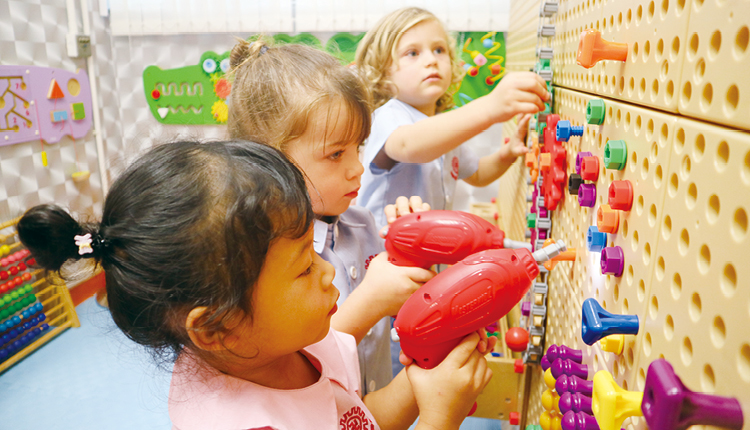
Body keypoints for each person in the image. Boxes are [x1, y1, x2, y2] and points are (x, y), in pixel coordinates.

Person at [16, 140, 495, 430]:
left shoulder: (271, 346)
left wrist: (419, 383)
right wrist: (439, 419)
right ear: (218, 327)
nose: (328, 271)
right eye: (306, 267)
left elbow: (354, 416)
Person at [226, 38, 433, 394]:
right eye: (336, 154)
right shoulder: (267, 260)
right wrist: (372, 300)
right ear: (269, 160)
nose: (357, 168)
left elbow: (404, 305)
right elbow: (299, 362)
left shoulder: (362, 223)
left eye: (359, 147)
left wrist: (411, 255)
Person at [355, 7, 550, 228]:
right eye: (413, 53)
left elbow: (477, 174)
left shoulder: (442, 126)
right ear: (383, 72)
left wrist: (507, 154)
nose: (431, 60)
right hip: (382, 255)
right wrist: (489, 107)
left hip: (426, 254)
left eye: (439, 50)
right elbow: (409, 145)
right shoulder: (387, 116)